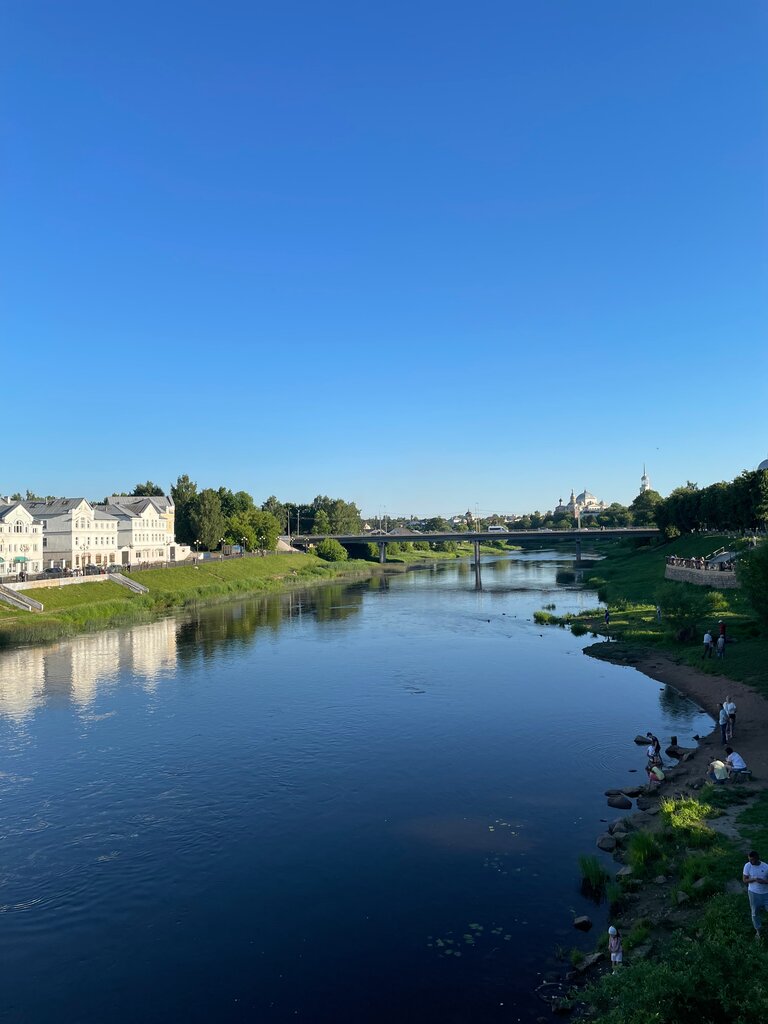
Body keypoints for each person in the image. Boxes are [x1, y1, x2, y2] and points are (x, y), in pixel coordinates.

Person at [743, 851, 768, 939]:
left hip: (766, 894)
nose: (750, 862)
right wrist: (754, 879)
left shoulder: (765, 867)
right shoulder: (747, 866)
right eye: (749, 859)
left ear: (757, 858)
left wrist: (764, 882)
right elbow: (745, 880)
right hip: (753, 893)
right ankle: (758, 931)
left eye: (752, 860)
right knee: (754, 913)